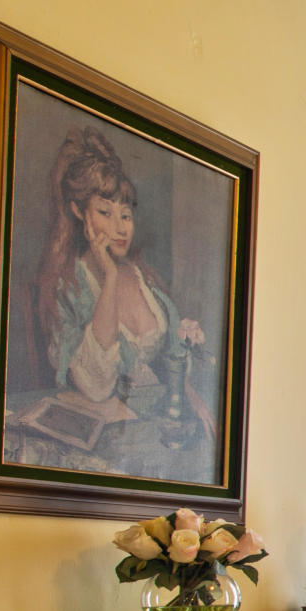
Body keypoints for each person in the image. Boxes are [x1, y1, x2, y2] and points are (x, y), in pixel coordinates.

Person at [31, 127, 203, 426]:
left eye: (125, 215)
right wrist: (109, 278)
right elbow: (96, 387)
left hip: (154, 423)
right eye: (105, 212)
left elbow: (176, 357)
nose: (121, 228)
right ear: (79, 213)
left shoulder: (143, 277)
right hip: (104, 432)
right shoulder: (69, 286)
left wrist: (194, 398)